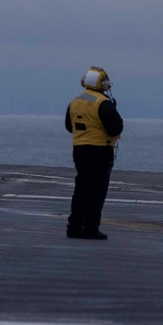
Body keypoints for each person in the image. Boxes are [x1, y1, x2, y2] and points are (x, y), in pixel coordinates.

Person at [65, 66, 123, 240]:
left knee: (81, 188)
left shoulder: (75, 101)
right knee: (96, 190)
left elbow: (69, 126)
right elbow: (115, 128)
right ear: (102, 84)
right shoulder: (102, 103)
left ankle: (74, 227)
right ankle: (91, 228)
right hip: (100, 151)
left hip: (79, 150)